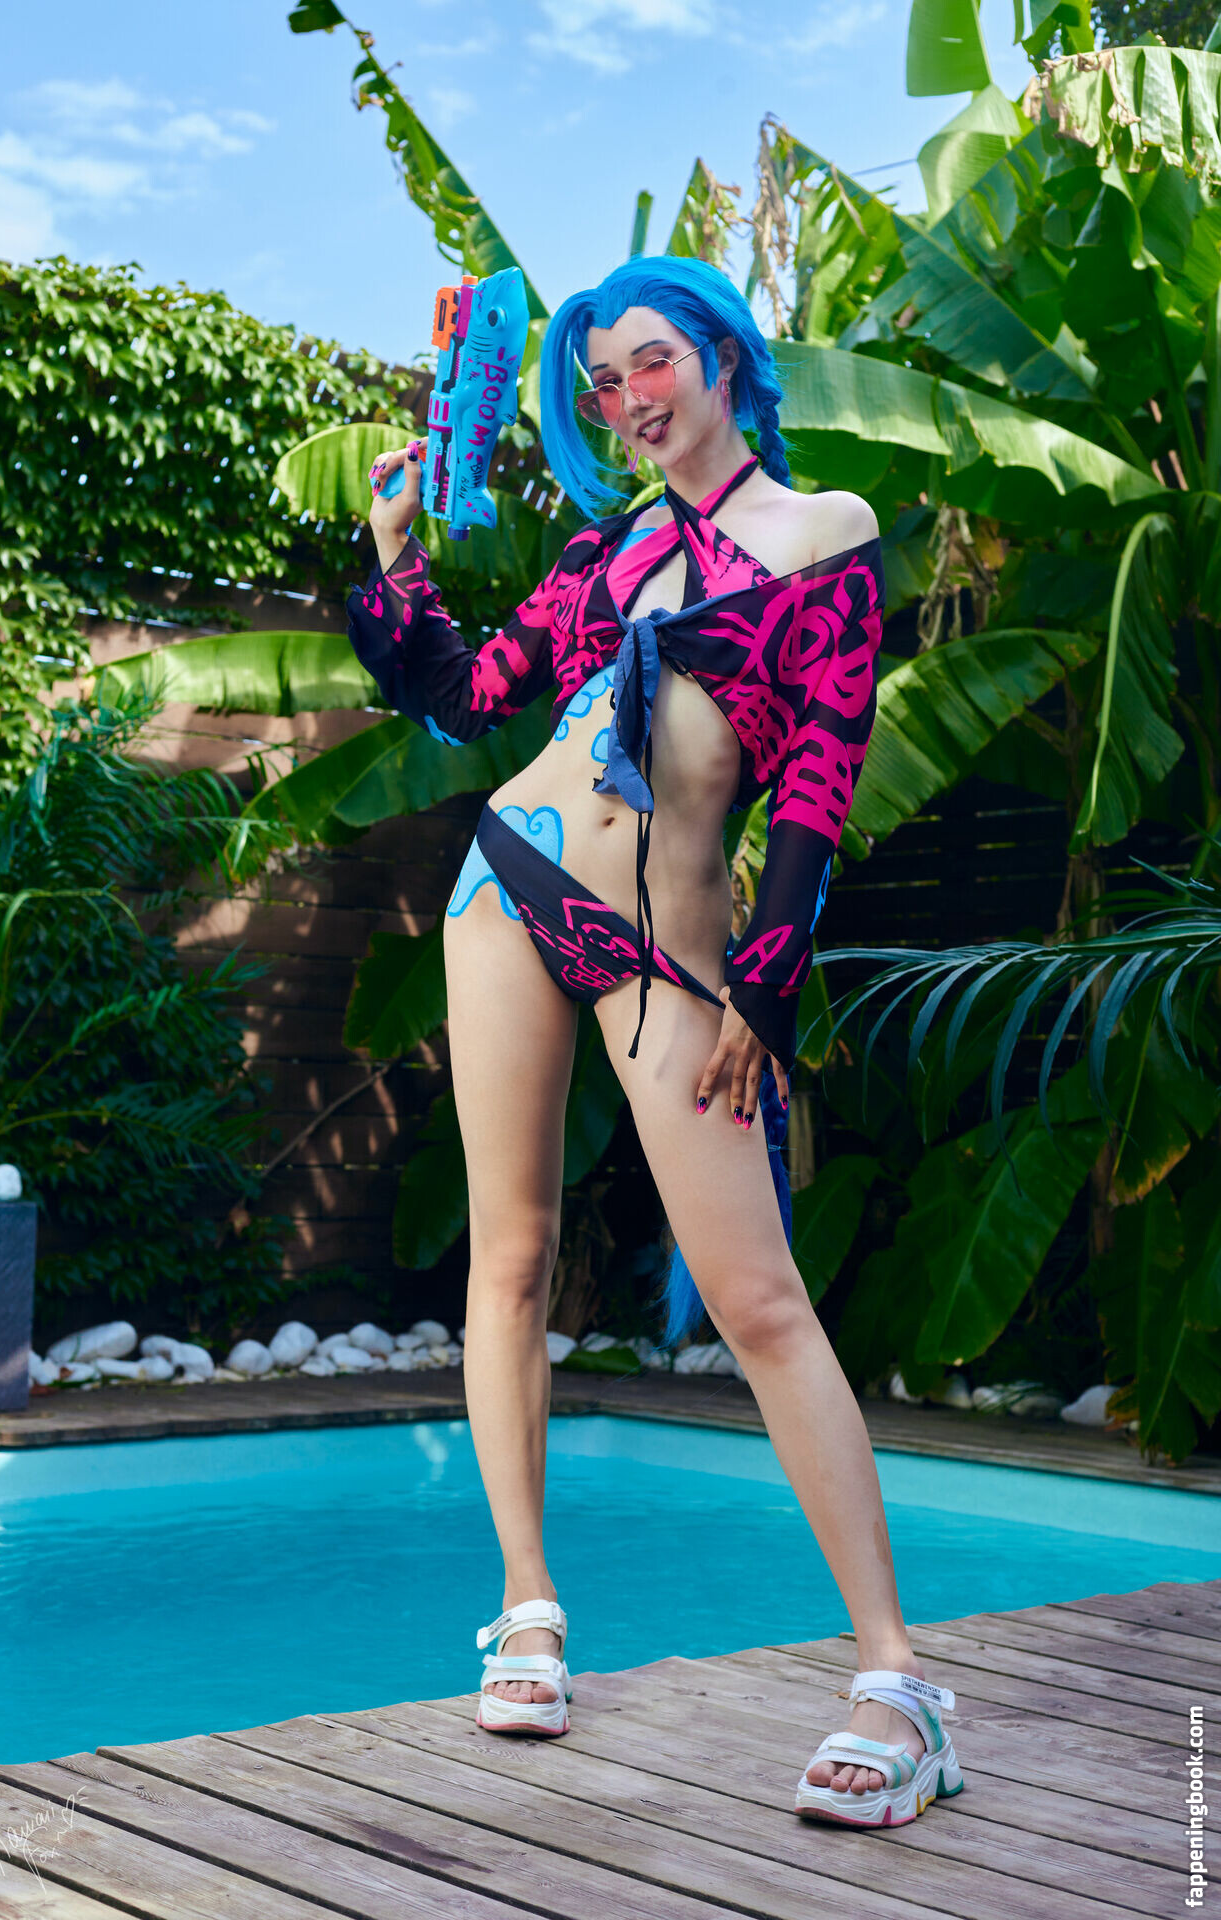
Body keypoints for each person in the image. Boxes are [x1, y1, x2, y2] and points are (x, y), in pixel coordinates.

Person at [348, 256, 962, 1829]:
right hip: (505, 889)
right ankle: (528, 1611)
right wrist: (397, 556)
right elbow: (465, 694)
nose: (628, 399)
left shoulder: (822, 536)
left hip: (664, 949)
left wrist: (765, 981)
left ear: (722, 355)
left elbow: (820, 774)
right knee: (509, 1256)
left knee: (759, 1300)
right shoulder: (602, 553)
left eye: (650, 361)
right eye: (604, 382)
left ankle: (898, 1681)